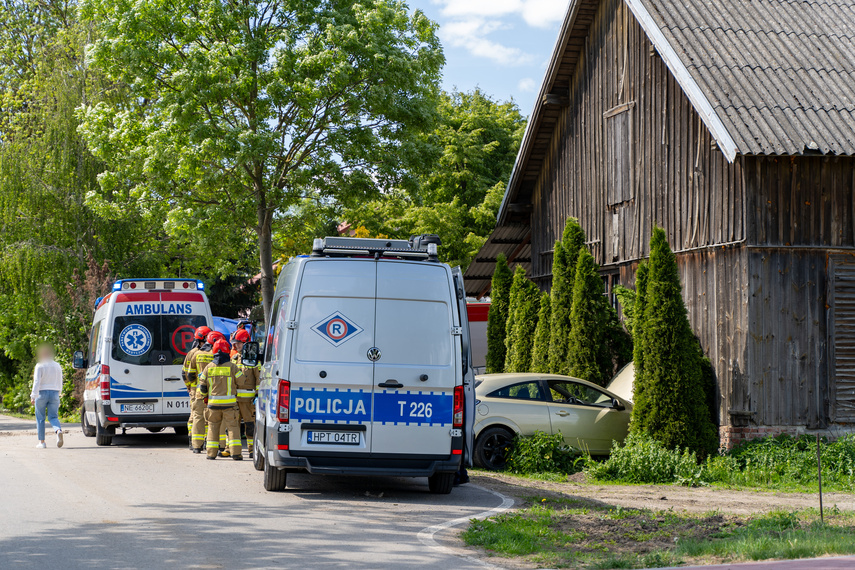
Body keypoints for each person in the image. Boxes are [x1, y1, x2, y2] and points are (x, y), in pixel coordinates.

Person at [197, 339, 244, 460]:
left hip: (213, 405)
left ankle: (211, 454)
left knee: (213, 428)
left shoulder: (209, 367)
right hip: (230, 405)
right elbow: (242, 381)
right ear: (227, 351)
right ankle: (235, 454)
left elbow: (202, 385)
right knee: (233, 428)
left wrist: (205, 397)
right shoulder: (232, 367)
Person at [231, 328, 259, 457]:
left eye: (238, 343)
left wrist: (258, 395)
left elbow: (259, 378)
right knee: (233, 425)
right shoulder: (235, 358)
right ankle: (232, 450)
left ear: (246, 343)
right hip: (235, 399)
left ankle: (252, 449)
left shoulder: (254, 359)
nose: (235, 345)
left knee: (250, 426)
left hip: (248, 401)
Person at [182, 325, 211, 452]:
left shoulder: (192, 353)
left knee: (195, 416)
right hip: (208, 390)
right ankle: (203, 441)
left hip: (195, 390)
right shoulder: (213, 352)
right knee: (205, 417)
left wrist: (189, 386)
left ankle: (193, 442)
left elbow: (185, 374)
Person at [30, 344, 64, 449]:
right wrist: (59, 393)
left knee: (40, 418)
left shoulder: (39, 365)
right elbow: (60, 381)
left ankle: (42, 442)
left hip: (41, 393)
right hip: (54, 393)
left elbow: (37, 381)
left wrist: (33, 395)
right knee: (53, 417)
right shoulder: (57, 365)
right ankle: (58, 430)